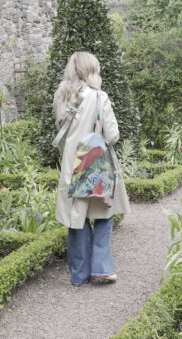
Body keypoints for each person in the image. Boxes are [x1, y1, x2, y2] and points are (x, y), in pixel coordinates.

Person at [53, 51, 130, 286]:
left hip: (71, 164)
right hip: (95, 163)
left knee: (77, 218)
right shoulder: (99, 97)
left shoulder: (61, 96)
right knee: (104, 213)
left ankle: (79, 275)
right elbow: (113, 135)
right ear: (91, 71)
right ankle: (101, 268)